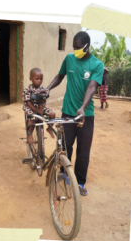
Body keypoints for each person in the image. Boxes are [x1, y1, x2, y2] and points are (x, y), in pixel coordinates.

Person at [35, 31, 107, 196]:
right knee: (65, 146)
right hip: (67, 112)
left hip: (85, 115)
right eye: (73, 47)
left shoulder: (97, 64)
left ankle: (80, 182)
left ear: (87, 46)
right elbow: (60, 76)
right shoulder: (69, 59)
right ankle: (64, 175)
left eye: (78, 47)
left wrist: (82, 107)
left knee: (83, 150)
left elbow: (92, 87)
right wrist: (48, 87)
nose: (75, 50)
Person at [22, 68, 55, 145]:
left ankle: (50, 128)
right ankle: (29, 134)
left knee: (52, 114)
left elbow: (44, 99)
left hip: (40, 107)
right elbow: (28, 102)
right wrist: (37, 111)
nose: (39, 81)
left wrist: (42, 107)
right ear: (31, 79)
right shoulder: (27, 89)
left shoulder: (42, 89)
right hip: (30, 107)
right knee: (33, 117)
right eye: (37, 79)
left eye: (41, 79)